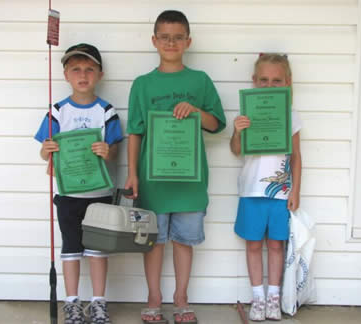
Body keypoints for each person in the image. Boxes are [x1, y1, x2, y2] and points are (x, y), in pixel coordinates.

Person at [124, 10, 226, 324]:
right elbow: (135, 133)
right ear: (154, 41)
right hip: (154, 182)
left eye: (178, 37)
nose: (171, 42)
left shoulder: (200, 81)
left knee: (184, 241)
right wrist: (132, 173)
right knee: (152, 243)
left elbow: (217, 124)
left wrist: (196, 110)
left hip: (189, 183)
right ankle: (153, 299)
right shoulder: (142, 84)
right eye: (165, 37)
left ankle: (181, 299)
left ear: (188, 41)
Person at [35, 43, 124, 324]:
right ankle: (72, 302)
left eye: (89, 69)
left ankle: (98, 302)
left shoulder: (106, 111)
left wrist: (106, 151)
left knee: (97, 250)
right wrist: (47, 150)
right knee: (71, 248)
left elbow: (115, 151)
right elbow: (43, 151)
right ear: (65, 75)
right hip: (68, 194)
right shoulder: (58, 111)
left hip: (99, 193)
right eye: (76, 69)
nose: (82, 75)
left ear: (100, 74)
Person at [230, 53, 302, 321]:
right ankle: (257, 297)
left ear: (287, 82)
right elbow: (236, 151)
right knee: (252, 245)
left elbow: (296, 157)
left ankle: (274, 296)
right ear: (254, 81)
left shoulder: (291, 116)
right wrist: (238, 132)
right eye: (264, 80)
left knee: (275, 245)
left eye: (276, 80)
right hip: (251, 191)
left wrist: (295, 191)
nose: (269, 85)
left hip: (279, 193)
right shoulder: (247, 113)